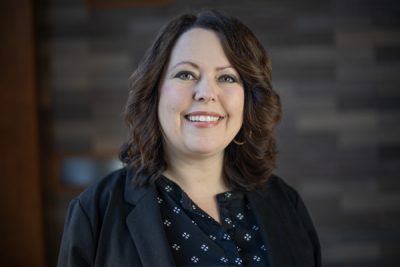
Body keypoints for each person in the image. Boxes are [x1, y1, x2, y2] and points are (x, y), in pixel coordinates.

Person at [58, 10, 321, 267]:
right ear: (155, 91)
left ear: (248, 100)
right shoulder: (95, 212)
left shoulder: (286, 203)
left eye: (227, 77)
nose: (206, 93)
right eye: (186, 74)